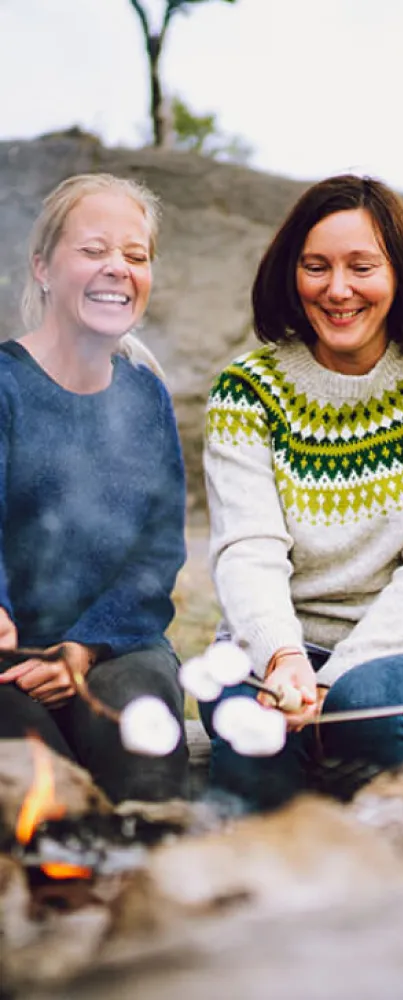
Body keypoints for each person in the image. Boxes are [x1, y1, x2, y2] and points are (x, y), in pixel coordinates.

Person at [202, 174, 403, 810]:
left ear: (400, 274)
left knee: (364, 705)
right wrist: (283, 659)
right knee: (252, 737)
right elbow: (247, 548)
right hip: (270, 653)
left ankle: (392, 890)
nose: (337, 289)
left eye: (361, 266)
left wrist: (329, 684)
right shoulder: (247, 390)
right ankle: (257, 893)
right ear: (293, 274)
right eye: (316, 266)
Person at [0, 173, 189, 802]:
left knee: (145, 756)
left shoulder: (144, 394)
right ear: (43, 268)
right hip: (6, 655)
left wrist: (83, 645)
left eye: (135, 256)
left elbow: (159, 550)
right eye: (92, 250)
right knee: (43, 794)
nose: (117, 268)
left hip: (115, 644)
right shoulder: (5, 386)